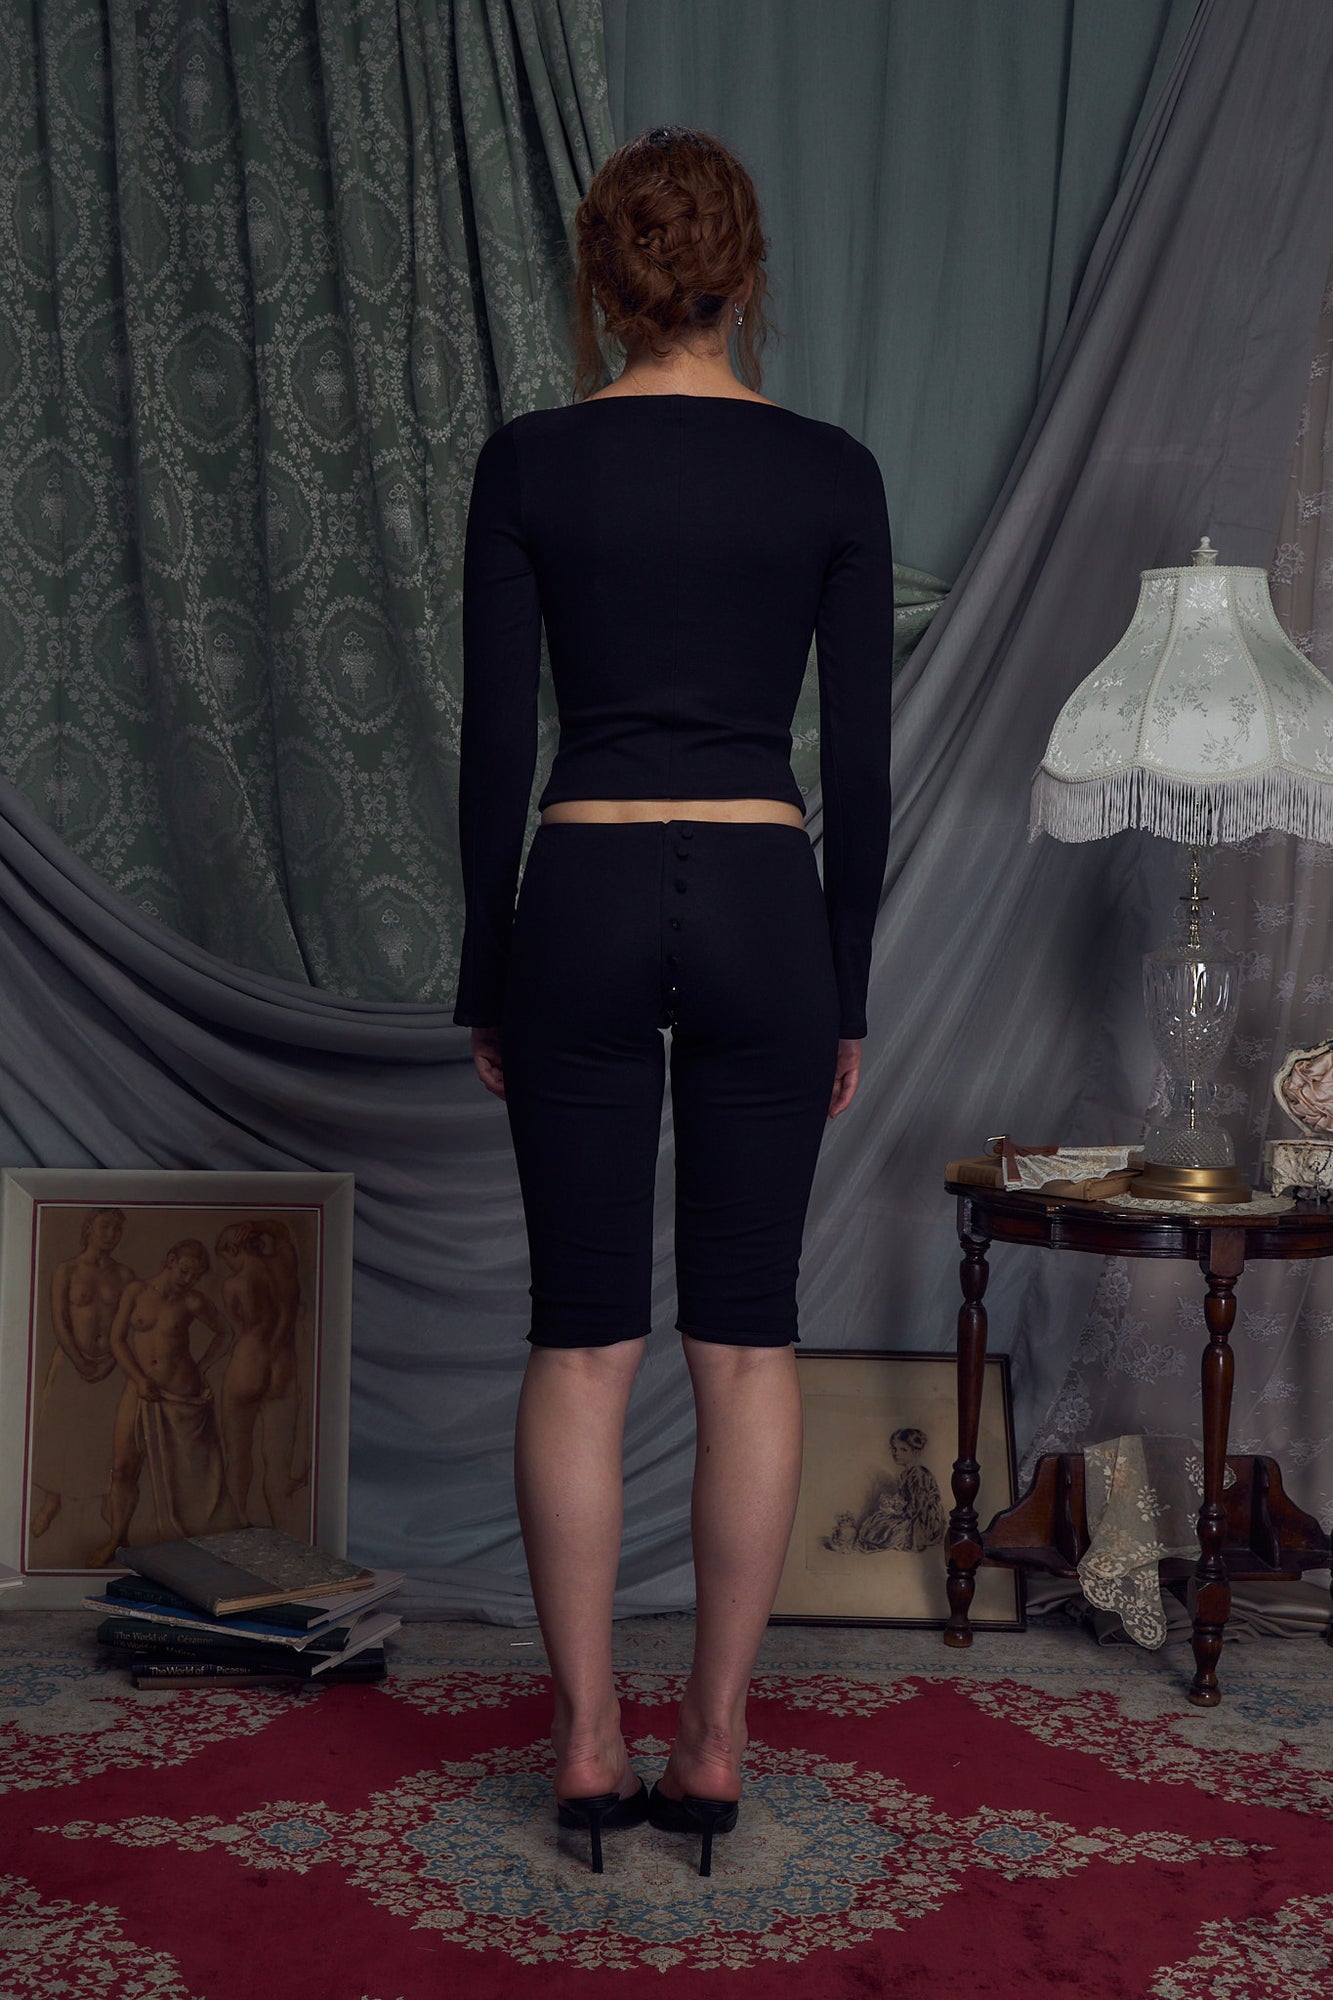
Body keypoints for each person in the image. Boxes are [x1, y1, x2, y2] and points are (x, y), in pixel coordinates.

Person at [453, 126, 893, 1876]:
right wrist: (843, 985)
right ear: (744, 278)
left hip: (581, 890)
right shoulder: (831, 472)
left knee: (579, 1341)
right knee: (746, 1340)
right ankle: (709, 1745)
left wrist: (487, 970)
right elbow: (859, 770)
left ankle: (584, 1743)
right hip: (767, 905)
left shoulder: (529, 461)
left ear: (600, 281)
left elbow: (497, 749)